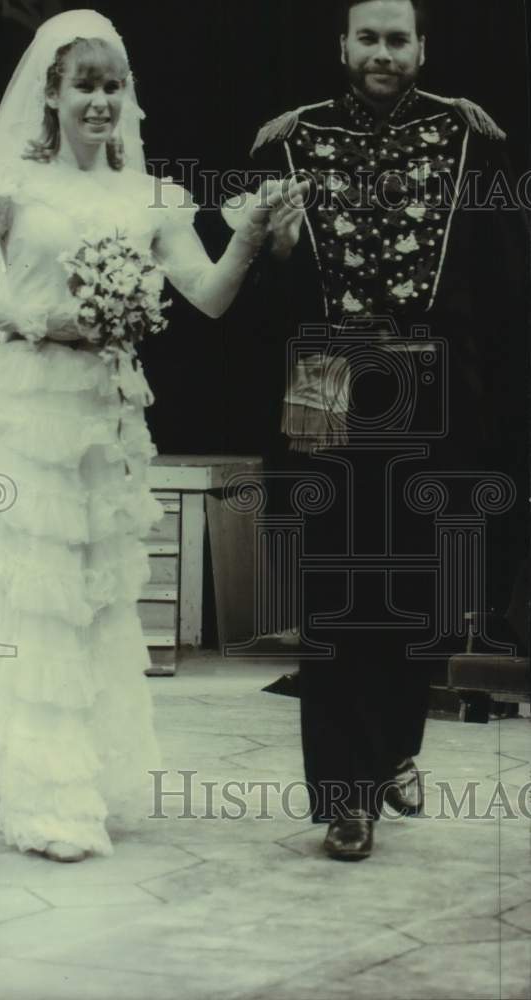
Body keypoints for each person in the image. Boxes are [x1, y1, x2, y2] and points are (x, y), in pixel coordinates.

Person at [0, 10, 304, 862]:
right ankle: (43, 791)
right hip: (32, 410)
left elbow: (208, 296)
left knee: (91, 598)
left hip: (108, 421)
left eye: (114, 86)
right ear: (54, 96)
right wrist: (36, 318)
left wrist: (250, 237)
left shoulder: (148, 195)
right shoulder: (11, 186)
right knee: (33, 594)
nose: (101, 101)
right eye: (86, 86)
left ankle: (75, 766)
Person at [246, 0, 528, 860]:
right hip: (328, 373)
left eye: (396, 39)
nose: (381, 53)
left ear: (421, 49)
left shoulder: (473, 140)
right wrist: (284, 255)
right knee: (334, 591)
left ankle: (396, 745)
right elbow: (242, 296)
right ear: (341, 47)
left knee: (416, 592)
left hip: (432, 382)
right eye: (366, 38)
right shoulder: (286, 143)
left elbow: (508, 285)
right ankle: (344, 797)